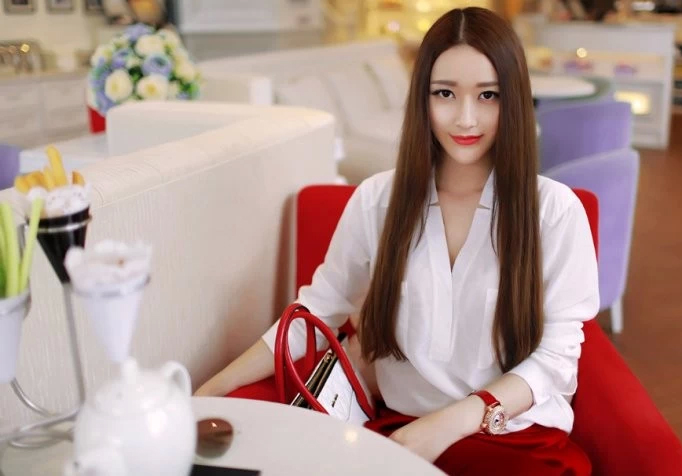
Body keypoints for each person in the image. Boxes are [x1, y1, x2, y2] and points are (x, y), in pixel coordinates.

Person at [196, 7, 599, 475]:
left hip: (512, 438)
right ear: (421, 97)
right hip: (401, 436)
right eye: (445, 93)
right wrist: (213, 390)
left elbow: (556, 359)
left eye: (488, 95)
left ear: (513, 99)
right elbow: (316, 312)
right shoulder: (377, 201)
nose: (465, 118)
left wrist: (450, 423)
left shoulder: (554, 211)